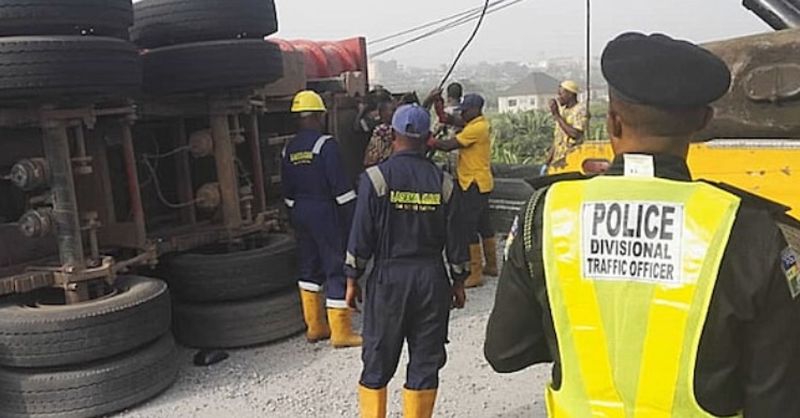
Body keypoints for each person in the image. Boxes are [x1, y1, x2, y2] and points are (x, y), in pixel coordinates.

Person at [484, 32, 800, 417]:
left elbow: (505, 351)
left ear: (614, 122)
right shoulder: (748, 229)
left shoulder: (547, 213)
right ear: (703, 122)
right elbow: (777, 396)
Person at [345, 104, 469, 418]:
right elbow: (457, 240)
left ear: (395, 136)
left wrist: (351, 279)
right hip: (431, 279)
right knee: (425, 361)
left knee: (377, 358)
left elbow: (360, 237)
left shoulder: (374, 179)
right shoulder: (444, 183)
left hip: (388, 280)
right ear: (428, 137)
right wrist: (458, 281)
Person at [282, 90, 361, 349]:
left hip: (300, 211)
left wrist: (296, 212)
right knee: (335, 265)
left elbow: (287, 191)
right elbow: (341, 189)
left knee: (308, 267)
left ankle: (315, 327)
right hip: (324, 212)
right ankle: (341, 332)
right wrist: (354, 220)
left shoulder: (288, 148)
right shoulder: (326, 145)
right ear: (318, 116)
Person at [432, 94, 494, 288]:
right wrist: (439, 107)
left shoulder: (476, 128)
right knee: (484, 225)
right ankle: (491, 265)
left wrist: (425, 139)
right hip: (481, 182)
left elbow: (447, 145)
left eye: (466, 110)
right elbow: (449, 120)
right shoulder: (476, 123)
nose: (463, 113)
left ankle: (474, 273)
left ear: (475, 109)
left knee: (468, 227)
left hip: (472, 182)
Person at [546, 80, 587, 173]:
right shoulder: (563, 111)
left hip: (572, 160)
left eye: (561, 94)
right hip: (559, 162)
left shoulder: (580, 110)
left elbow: (575, 134)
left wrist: (557, 116)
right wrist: (547, 162)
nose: (559, 98)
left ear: (570, 94)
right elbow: (557, 140)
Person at [363, 98, 397, 167]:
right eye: (393, 110)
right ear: (383, 112)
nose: (395, 113)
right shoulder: (379, 131)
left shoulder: (395, 129)